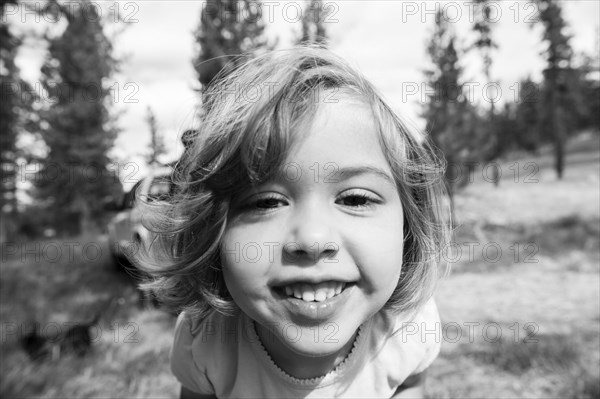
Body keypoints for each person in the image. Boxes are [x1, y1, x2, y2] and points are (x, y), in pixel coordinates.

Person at [135, 46, 451, 398]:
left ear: (409, 227)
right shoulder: (206, 342)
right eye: (266, 202)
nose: (313, 239)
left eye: (355, 198)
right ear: (212, 235)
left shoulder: (406, 327)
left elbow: (411, 383)